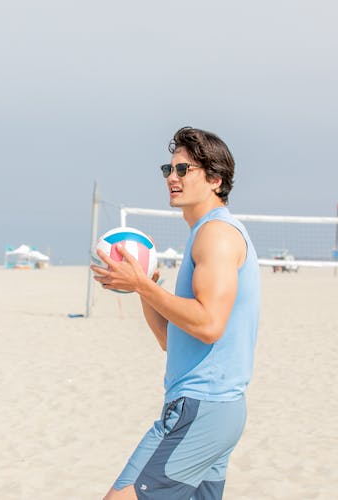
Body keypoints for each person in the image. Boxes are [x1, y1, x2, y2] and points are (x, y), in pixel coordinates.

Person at [92, 126, 260, 499]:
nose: (172, 177)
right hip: (215, 410)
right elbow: (173, 341)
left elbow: (209, 325)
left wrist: (143, 285)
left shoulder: (215, 235)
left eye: (184, 170)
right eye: (168, 169)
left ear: (215, 179)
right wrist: (145, 289)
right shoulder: (207, 233)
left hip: (202, 410)